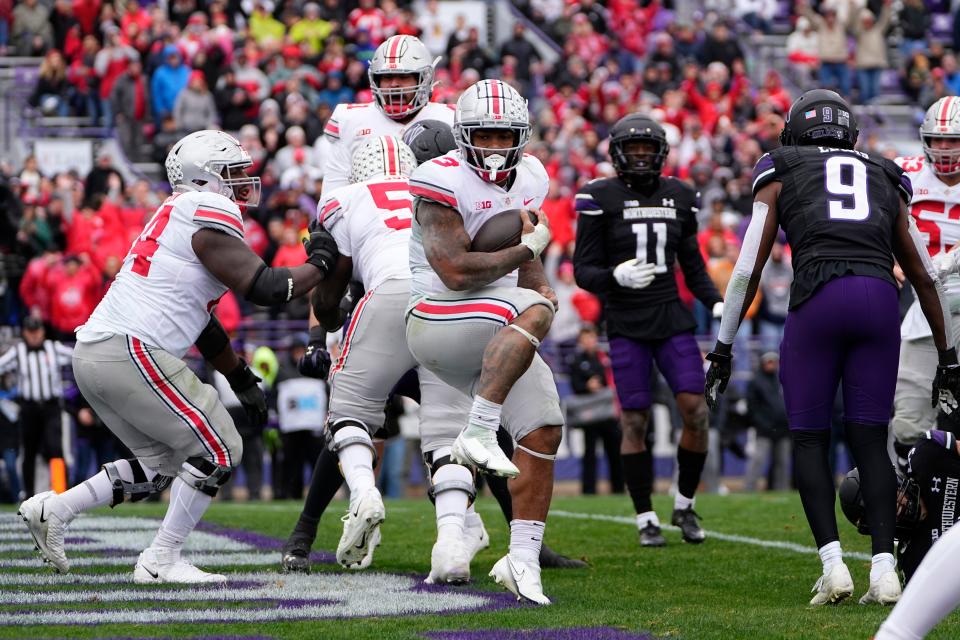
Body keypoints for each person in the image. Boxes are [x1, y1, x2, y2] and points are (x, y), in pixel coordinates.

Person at [17, 130, 340, 583]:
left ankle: (55, 509)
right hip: (128, 349)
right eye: (232, 173)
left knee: (165, 465)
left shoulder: (177, 215)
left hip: (96, 354)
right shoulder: (206, 211)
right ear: (204, 180)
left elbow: (202, 322)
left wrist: (241, 377)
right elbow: (267, 287)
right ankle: (162, 558)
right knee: (221, 447)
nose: (243, 181)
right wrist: (322, 263)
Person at [280, 121, 584, 575]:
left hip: (388, 310)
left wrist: (317, 337)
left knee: (350, 418)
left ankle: (312, 530)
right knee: (457, 433)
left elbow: (328, 288)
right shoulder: (455, 193)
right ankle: (452, 543)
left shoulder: (351, 199)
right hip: (440, 318)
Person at [704, 89, 960, 606]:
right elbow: (924, 276)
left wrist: (724, 346)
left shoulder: (781, 166)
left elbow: (748, 267)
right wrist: (949, 357)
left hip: (819, 295)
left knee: (808, 439)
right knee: (870, 438)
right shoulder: (885, 171)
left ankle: (834, 566)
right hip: (879, 301)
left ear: (797, 133)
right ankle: (885, 568)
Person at [405, 79, 562, 604]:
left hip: (501, 317)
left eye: (504, 134)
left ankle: (522, 562)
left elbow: (527, 248)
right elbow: (452, 270)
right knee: (532, 308)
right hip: (437, 317)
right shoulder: (439, 178)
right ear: (462, 136)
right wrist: (527, 265)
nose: (495, 145)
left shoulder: (533, 176)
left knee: (544, 429)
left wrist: (538, 280)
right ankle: (478, 430)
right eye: (485, 134)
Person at [573, 114, 723, 547]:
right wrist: (614, 276)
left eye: (647, 149)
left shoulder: (680, 195)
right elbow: (584, 271)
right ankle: (645, 517)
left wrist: (714, 301)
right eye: (632, 149)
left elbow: (691, 264)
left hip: (670, 316)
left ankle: (685, 503)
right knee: (634, 419)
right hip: (625, 321)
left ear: (660, 153)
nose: (640, 156)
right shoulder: (598, 197)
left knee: (695, 409)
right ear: (617, 153)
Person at [893, 96, 960, 465]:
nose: (945, 148)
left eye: (953, 140)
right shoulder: (904, 173)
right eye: (938, 139)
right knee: (908, 422)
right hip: (924, 309)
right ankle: (916, 505)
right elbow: (874, 219)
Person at [318, 34, 454, 195]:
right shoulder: (349, 120)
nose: (394, 84)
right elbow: (333, 194)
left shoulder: (451, 118)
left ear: (423, 79)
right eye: (387, 76)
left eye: (404, 76)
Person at [0, 317, 73, 497]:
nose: (34, 335)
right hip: (29, 408)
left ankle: (61, 493)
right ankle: (30, 494)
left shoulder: (53, 348)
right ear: (25, 332)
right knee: (29, 452)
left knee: (56, 449)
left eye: (37, 331)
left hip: (51, 407)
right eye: (30, 332)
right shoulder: (18, 351)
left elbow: (76, 357)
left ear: (42, 331)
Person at [565, 325, 623, 495]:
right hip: (589, 415)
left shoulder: (605, 358)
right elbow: (575, 385)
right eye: (585, 339)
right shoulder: (576, 361)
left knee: (614, 452)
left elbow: (613, 381)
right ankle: (588, 490)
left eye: (591, 338)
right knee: (589, 453)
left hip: (608, 414)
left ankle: (618, 488)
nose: (589, 342)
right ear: (580, 341)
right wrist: (587, 386)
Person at [744, 352, 790, 491]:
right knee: (758, 460)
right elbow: (752, 407)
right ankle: (749, 488)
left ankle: (781, 490)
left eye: (774, 362)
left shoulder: (782, 379)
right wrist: (762, 423)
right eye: (769, 361)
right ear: (763, 363)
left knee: (782, 462)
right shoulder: (756, 381)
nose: (772, 364)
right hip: (764, 429)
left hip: (783, 429)